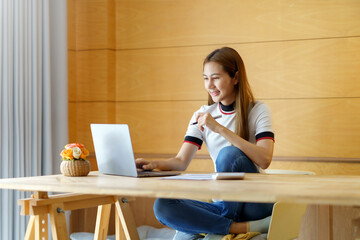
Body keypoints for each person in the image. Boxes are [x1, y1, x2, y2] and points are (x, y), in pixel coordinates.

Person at [135, 47, 275, 239]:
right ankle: (234, 228)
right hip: (222, 204)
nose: (210, 85)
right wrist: (153, 165)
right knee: (163, 205)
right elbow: (181, 161)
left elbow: (265, 159)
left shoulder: (258, 110)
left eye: (216, 77)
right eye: (205, 78)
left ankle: (219, 227)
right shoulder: (201, 114)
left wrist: (219, 128)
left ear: (235, 78)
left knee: (229, 154)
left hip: (255, 202)